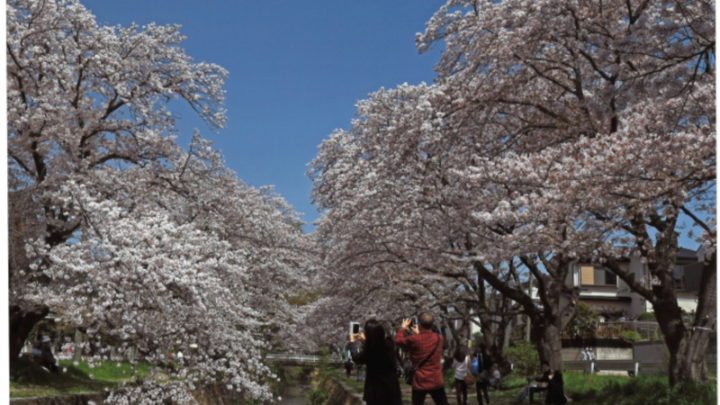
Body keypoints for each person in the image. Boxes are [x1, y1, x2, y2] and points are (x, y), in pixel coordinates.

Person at [395, 313, 448, 405]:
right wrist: (419, 333)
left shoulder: (413, 339)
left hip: (420, 380)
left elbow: (398, 341)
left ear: (419, 324)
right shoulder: (440, 338)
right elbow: (426, 341)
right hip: (436, 379)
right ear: (432, 324)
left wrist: (402, 328)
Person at [349, 319, 403, 405]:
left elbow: (356, 358)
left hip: (375, 392)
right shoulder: (390, 343)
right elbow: (377, 344)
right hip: (392, 390)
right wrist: (366, 340)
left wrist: (352, 342)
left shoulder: (369, 350)